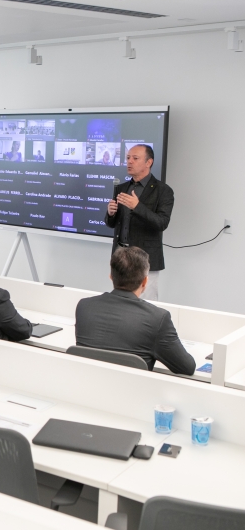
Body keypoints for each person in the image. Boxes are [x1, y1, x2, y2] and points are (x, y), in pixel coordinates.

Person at [74, 247, 195, 374]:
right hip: (132, 392)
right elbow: (186, 367)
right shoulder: (157, 318)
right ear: (145, 281)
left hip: (87, 390)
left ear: (111, 276)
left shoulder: (84, 307)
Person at [106, 144, 174, 301]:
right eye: (128, 158)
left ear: (148, 162)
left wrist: (137, 207)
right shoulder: (122, 187)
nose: (129, 162)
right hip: (121, 255)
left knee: (146, 304)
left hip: (146, 258)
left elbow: (162, 223)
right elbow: (113, 223)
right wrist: (110, 214)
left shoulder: (163, 191)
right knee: (120, 301)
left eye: (135, 158)